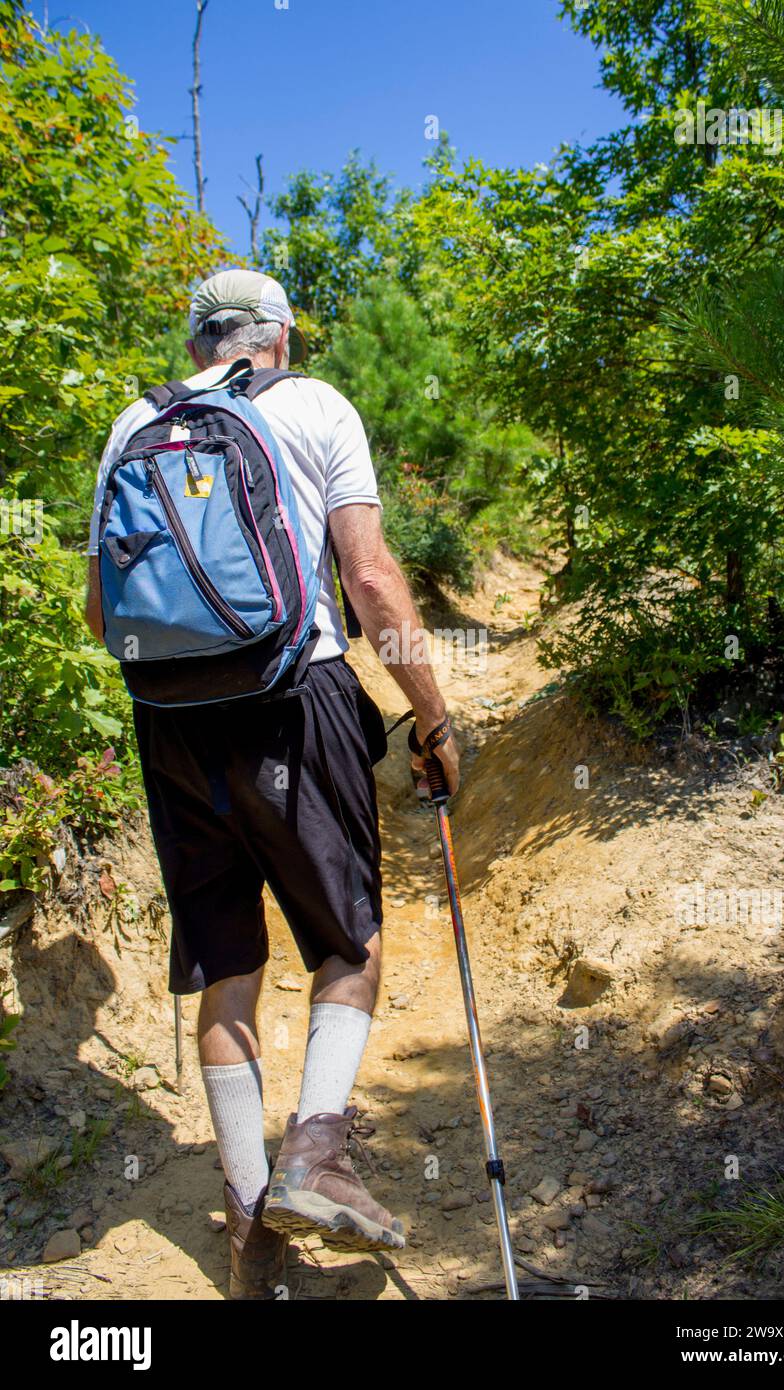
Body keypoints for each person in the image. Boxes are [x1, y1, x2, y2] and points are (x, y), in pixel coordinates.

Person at [84, 269, 460, 1298]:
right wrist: (430, 715)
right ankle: (317, 1154)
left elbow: (95, 613)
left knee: (225, 968)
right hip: (298, 695)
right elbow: (372, 578)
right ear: (280, 334)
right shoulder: (313, 406)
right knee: (349, 942)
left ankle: (252, 1232)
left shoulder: (134, 424)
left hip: (168, 723)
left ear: (199, 340)